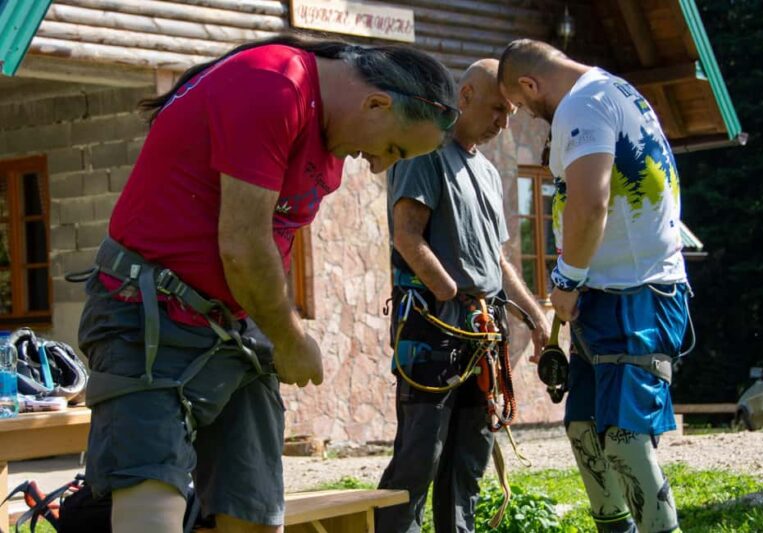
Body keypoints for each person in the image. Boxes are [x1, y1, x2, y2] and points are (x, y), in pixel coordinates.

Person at [75, 34, 458, 533]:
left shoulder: (331, 133)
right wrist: (291, 338)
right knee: (151, 500)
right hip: (146, 310)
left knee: (254, 512)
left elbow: (271, 245)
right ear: (377, 102)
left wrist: (275, 328)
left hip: (235, 327)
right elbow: (243, 243)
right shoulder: (275, 85)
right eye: (391, 148)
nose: (381, 163)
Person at [498, 40, 691, 533]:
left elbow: (589, 202)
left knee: (624, 439)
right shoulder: (616, 90)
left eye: (522, 105)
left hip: (637, 293)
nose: (530, 117)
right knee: (584, 430)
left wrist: (566, 280)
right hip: (606, 292)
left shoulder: (583, 104)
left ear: (529, 83)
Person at [374, 59, 550, 533]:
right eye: (498, 108)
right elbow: (407, 235)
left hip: (484, 334)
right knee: (420, 456)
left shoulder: (490, 174)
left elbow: (498, 261)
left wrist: (536, 318)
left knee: (468, 460)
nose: (504, 122)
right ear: (466, 95)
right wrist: (451, 294)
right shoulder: (425, 151)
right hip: (434, 326)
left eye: (511, 112)